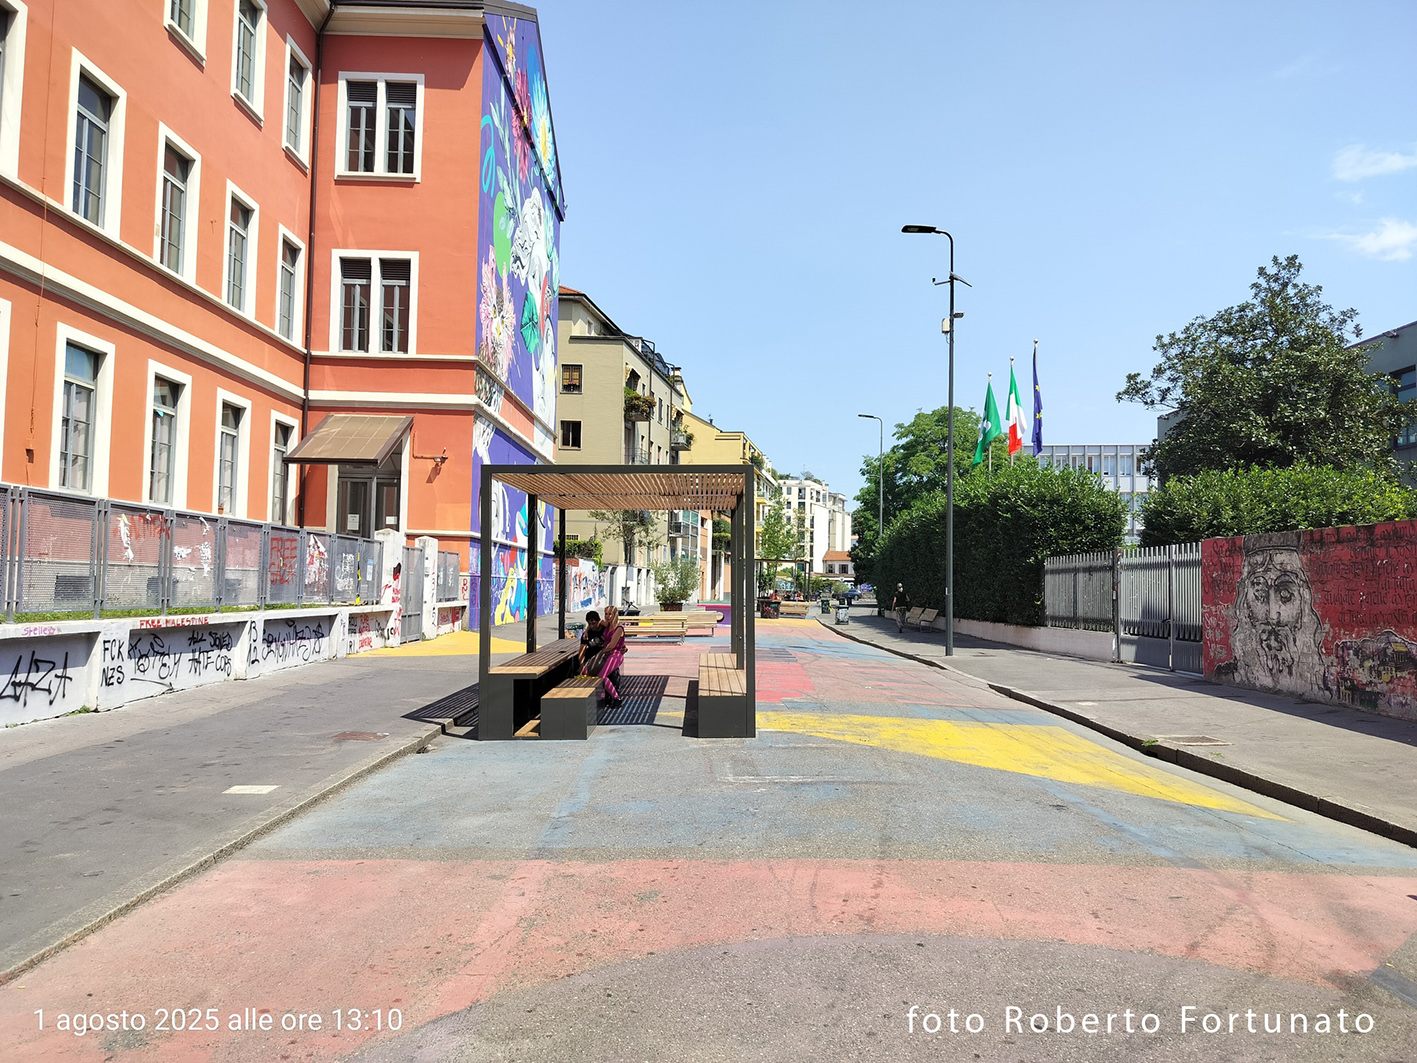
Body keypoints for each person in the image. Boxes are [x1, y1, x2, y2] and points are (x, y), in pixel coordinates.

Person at [584, 605, 627, 708]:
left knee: (602, 676)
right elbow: (594, 622)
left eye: (610, 614)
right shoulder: (607, 624)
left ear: (615, 614)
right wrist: (586, 631)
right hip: (607, 654)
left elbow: (612, 645)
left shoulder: (619, 628)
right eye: (606, 614)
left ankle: (617, 699)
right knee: (587, 670)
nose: (607, 616)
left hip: (615, 655)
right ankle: (604, 696)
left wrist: (601, 653)